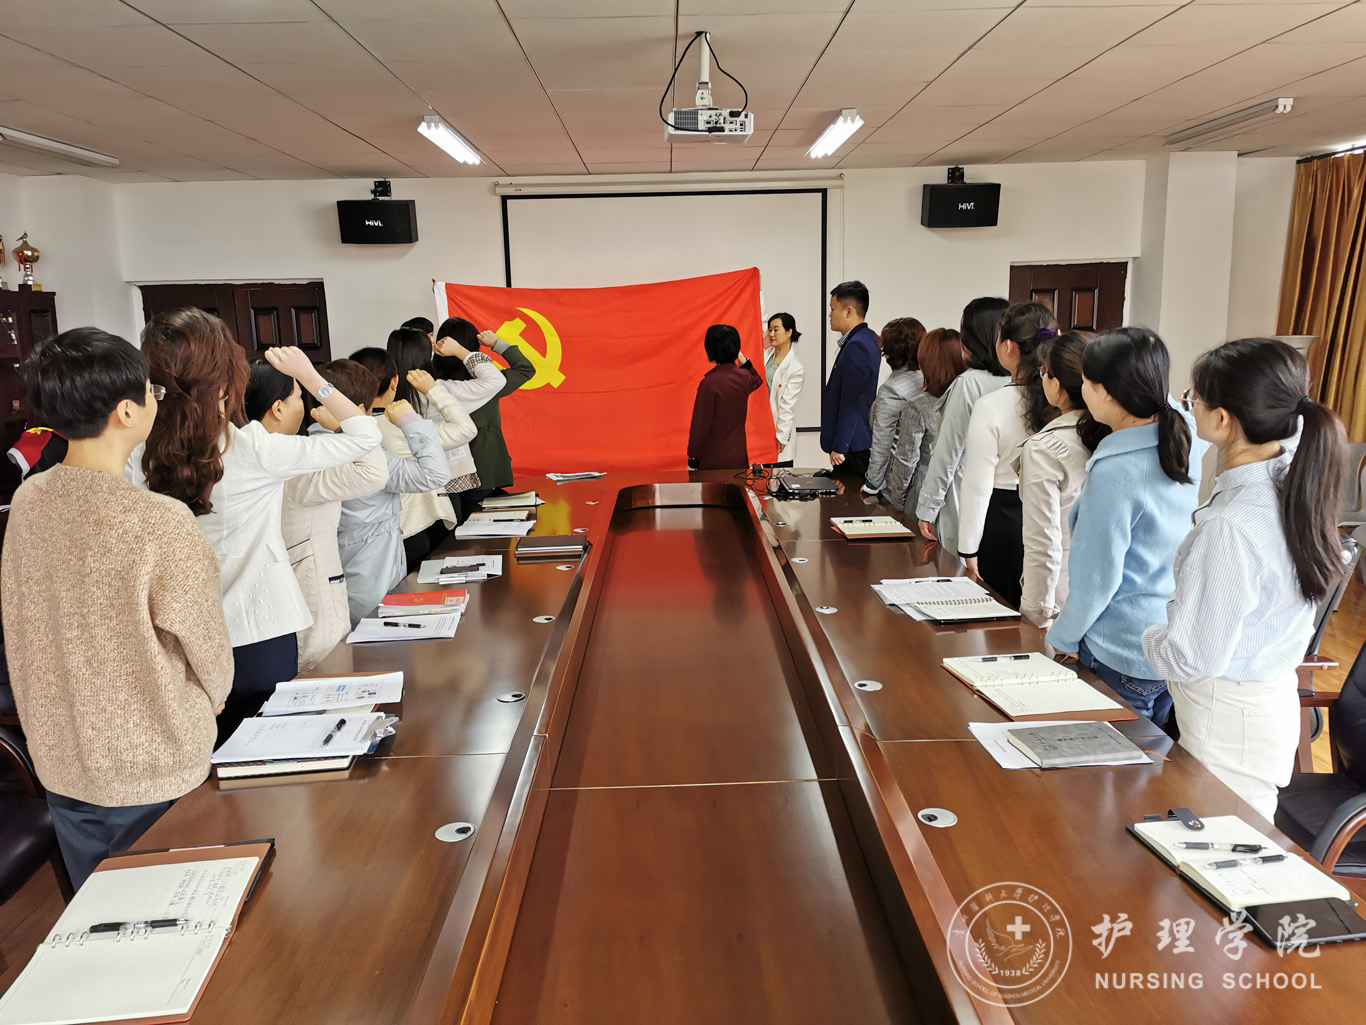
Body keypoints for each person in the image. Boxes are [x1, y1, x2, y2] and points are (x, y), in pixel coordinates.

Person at [2, 328, 232, 887]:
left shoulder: (30, 497)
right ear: (127, 411)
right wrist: (211, 699)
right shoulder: (159, 520)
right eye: (152, 390)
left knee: (100, 911)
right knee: (174, 907)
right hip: (153, 756)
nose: (156, 399)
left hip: (62, 752)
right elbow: (207, 647)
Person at [136, 309, 381, 745]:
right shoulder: (251, 448)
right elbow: (365, 435)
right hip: (258, 632)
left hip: (179, 640)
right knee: (269, 754)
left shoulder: (137, 454)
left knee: (205, 758)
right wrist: (310, 376)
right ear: (224, 383)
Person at [1142, 339, 1346, 819]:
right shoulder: (1291, 486)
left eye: (1193, 397)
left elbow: (1193, 659)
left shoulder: (1232, 526)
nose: (1189, 405)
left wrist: (1149, 634)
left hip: (1228, 721)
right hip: (1259, 705)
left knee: (1223, 845)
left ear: (1222, 418)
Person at [1046, 327, 1201, 725]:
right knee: (1152, 755)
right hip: (1168, 639)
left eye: (1086, 382)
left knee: (1114, 760)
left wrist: (1062, 637)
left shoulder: (1116, 471)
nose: (1081, 389)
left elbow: (1098, 578)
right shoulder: (1183, 433)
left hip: (1120, 648)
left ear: (1108, 393)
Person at [246, 359, 388, 671]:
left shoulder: (240, 454)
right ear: (278, 408)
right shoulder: (293, 465)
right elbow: (374, 473)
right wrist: (341, 422)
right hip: (311, 596)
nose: (306, 406)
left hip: (268, 602)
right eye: (299, 397)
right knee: (325, 675)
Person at [957, 303, 1057, 607]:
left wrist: (968, 548)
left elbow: (976, 485)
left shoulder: (991, 406)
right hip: (1053, 514)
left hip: (1003, 520)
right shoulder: (1063, 402)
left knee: (999, 614)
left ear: (1009, 346)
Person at [337, 382, 451, 626]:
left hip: (360, 566)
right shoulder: (363, 450)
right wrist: (410, 421)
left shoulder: (314, 442)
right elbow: (435, 473)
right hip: (372, 573)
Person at [1016, 332, 1110, 628]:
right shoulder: (1118, 435)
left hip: (1060, 597)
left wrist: (1035, 613)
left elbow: (1042, 542)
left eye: (1044, 371)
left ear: (1056, 384)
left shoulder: (1044, 449)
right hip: (1109, 593)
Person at [915, 296, 1010, 556]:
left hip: (964, 495)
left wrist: (927, 509)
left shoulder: (969, 383)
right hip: (1008, 501)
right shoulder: (1024, 381)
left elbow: (947, 452)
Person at [383, 327, 483, 569]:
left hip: (401, 517)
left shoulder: (380, 417)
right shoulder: (433, 392)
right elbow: (466, 429)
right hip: (433, 502)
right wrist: (433, 389)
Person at [433, 317, 535, 520]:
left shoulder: (430, 383)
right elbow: (525, 369)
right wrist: (496, 343)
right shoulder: (488, 386)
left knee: (449, 530)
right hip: (483, 472)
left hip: (443, 472)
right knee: (480, 530)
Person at [883, 328, 965, 516]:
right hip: (962, 493)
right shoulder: (972, 402)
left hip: (923, 495)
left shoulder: (917, 407)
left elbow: (906, 460)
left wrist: (897, 499)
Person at [820, 280, 879, 479]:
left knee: (847, 495)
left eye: (832, 309)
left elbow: (853, 400)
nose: (830, 315)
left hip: (852, 447)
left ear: (848, 311)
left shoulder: (857, 345)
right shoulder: (865, 338)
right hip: (853, 443)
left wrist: (840, 445)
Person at [862, 317, 926, 499]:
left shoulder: (892, 390)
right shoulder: (927, 378)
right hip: (923, 473)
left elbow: (882, 443)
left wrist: (872, 484)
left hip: (896, 481)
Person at [687, 324, 762, 471]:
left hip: (712, 460)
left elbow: (699, 425)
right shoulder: (744, 378)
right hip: (739, 458)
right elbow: (757, 379)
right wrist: (743, 361)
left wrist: (693, 458)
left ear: (710, 349)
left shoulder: (709, 384)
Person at [765, 312, 805, 467]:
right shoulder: (766, 355)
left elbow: (787, 405)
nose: (771, 334)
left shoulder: (795, 368)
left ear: (789, 332)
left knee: (778, 476)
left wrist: (781, 435)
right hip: (760, 426)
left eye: (776, 330)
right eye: (770, 330)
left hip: (777, 429)